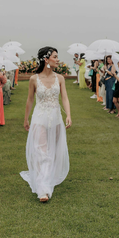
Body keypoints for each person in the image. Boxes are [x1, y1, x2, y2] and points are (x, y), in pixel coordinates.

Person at [20, 47, 71, 203]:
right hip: (40, 118)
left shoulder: (60, 78)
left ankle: (47, 178)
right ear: (46, 59)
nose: (58, 59)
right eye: (55, 57)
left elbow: (65, 98)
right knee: (42, 152)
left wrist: (68, 114)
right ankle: (43, 189)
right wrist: (26, 118)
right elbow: (30, 100)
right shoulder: (34, 79)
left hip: (55, 119)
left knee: (53, 152)